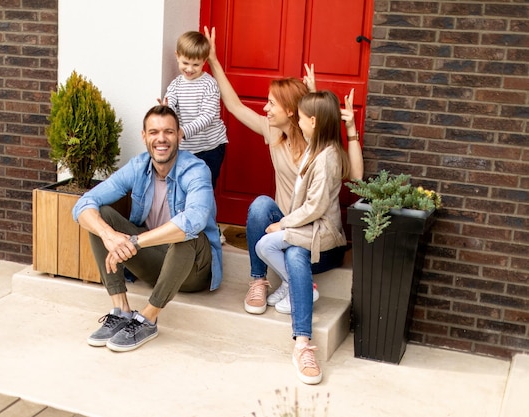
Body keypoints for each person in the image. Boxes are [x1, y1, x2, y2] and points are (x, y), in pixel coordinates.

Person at [203, 26, 364, 315]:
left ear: (292, 112)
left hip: (314, 237)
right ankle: (258, 280)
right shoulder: (273, 133)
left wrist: (346, 127)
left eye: (271, 103)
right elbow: (234, 106)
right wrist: (213, 60)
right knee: (261, 206)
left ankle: (297, 294)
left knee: (292, 251)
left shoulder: (319, 144)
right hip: (286, 227)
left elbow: (355, 175)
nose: (265, 109)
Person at [72, 105, 222, 352]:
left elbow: (194, 220)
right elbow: (83, 204)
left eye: (168, 132)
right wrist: (110, 236)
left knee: (187, 236)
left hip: (193, 270)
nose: (161, 139)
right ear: (144, 136)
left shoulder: (195, 169)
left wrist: (134, 242)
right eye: (153, 132)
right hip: (154, 262)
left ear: (179, 135)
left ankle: (149, 318)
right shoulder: (138, 167)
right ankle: (121, 310)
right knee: (102, 217)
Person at [255, 91, 350, 384]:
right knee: (264, 244)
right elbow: (322, 112)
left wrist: (284, 224)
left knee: (284, 248)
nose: (296, 118)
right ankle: (302, 286)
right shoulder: (314, 146)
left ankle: (302, 344)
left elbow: (315, 207)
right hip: (307, 230)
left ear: (314, 121)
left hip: (324, 237)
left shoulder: (328, 157)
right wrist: (312, 88)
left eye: (301, 115)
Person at [160, 30, 228, 189]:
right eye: (185, 63)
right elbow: (171, 103)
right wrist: (165, 110)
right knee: (184, 186)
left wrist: (183, 131)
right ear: (177, 56)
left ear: (204, 61)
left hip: (210, 148)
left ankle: (205, 213)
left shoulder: (209, 84)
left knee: (204, 187)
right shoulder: (176, 84)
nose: (189, 69)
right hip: (185, 149)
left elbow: (208, 116)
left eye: (195, 65)